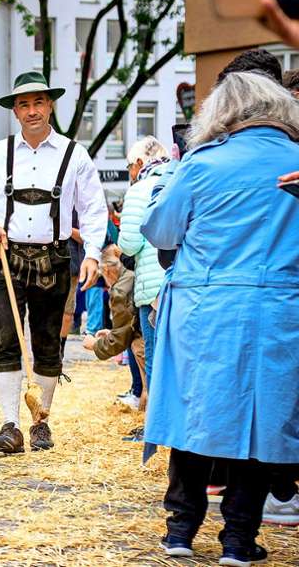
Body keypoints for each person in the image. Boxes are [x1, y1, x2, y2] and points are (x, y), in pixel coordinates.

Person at [138, 72, 299, 563]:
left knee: (193, 416)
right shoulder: (296, 161)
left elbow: (160, 232)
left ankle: (179, 532)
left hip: (203, 309)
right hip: (277, 309)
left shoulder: (202, 162)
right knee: (259, 426)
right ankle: (238, 540)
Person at [0, 71, 106, 454]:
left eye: (38, 102)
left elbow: (94, 209)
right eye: (24, 104)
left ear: (50, 106)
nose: (32, 111)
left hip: (53, 258)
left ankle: (40, 421)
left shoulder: (74, 155)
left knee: (47, 345)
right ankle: (10, 424)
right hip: (5, 258)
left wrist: (93, 253)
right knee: (7, 342)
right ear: (15, 111)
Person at [116, 137, 169, 394]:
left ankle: (156, 417)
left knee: (154, 356)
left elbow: (129, 243)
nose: (130, 173)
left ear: (139, 162)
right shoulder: (180, 178)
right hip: (182, 283)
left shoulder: (139, 189)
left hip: (152, 286)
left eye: (129, 167)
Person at [81, 246, 144, 413]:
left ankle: (140, 396)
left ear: (107, 270)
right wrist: (111, 332)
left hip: (146, 344)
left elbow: (123, 337)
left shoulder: (119, 291)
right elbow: (131, 325)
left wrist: (95, 344)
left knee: (135, 345)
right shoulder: (133, 275)